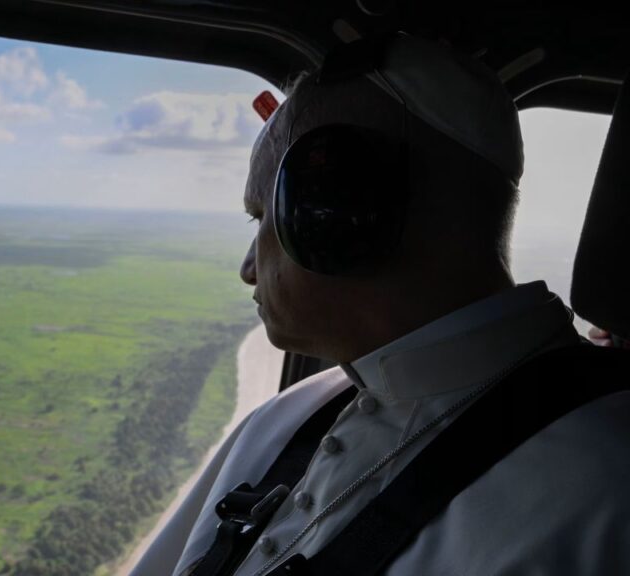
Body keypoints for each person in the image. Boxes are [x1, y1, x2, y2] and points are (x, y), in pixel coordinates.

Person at [131, 34, 630, 575]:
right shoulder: (288, 418)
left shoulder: (606, 497)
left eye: (261, 219)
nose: (248, 268)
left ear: (335, 209)